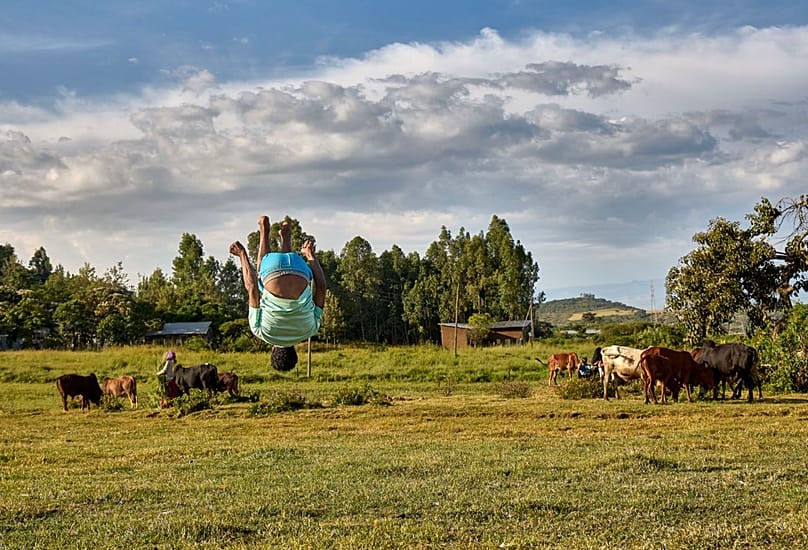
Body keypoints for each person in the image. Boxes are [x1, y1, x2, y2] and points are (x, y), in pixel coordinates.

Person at [230, 216, 326, 371]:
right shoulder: (260, 332)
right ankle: (264, 230)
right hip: (272, 271)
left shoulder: (311, 329)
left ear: (294, 350)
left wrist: (310, 255)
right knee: (260, 281)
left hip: (300, 268)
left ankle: (286, 237)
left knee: (287, 280)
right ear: (273, 350)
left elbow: (321, 287)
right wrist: (242, 254)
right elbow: (252, 288)